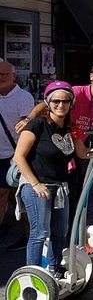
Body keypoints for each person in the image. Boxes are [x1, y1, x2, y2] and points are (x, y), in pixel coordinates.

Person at [13, 81, 93, 274]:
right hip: (37, 186)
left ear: (71, 103)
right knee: (39, 233)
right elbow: (19, 157)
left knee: (59, 233)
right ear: (47, 102)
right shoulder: (37, 125)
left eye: (65, 101)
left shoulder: (72, 129)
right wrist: (36, 184)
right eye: (55, 101)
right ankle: (32, 274)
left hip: (61, 187)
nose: (60, 105)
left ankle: (55, 270)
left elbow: (83, 153)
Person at [17, 63, 93, 203]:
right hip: (61, 140)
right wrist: (29, 119)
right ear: (91, 76)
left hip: (78, 141)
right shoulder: (77, 92)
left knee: (77, 191)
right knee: (62, 186)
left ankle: (71, 221)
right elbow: (46, 103)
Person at [0, 62, 34, 251]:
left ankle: (29, 234)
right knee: (5, 195)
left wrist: (21, 155)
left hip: (16, 155)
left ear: (14, 76)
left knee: (19, 197)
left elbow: (26, 127)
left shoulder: (23, 97)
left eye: (5, 74)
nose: (1, 77)